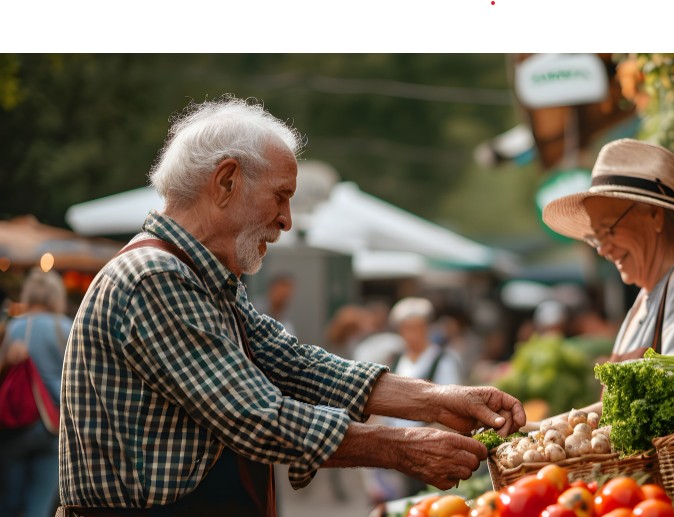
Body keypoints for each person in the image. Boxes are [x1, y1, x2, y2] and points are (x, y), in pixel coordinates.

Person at [58, 96, 524, 516]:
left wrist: (437, 402)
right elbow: (255, 415)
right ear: (226, 181)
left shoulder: (205, 277)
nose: (286, 220)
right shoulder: (156, 278)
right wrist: (400, 446)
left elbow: (295, 365)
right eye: (280, 196)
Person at [539, 138, 674, 416]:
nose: (604, 249)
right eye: (596, 238)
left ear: (655, 216)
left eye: (609, 230)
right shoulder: (648, 295)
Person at [362, 297, 465, 504]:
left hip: (427, 446)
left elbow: (453, 407)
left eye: (417, 327)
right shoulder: (396, 360)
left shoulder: (443, 360)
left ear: (427, 328)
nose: (412, 334)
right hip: (395, 447)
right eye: (407, 328)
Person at [0, 269, 72, 517]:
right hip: (54, 427)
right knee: (40, 507)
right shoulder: (67, 328)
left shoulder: (15, 327)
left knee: (9, 502)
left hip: (17, 422)